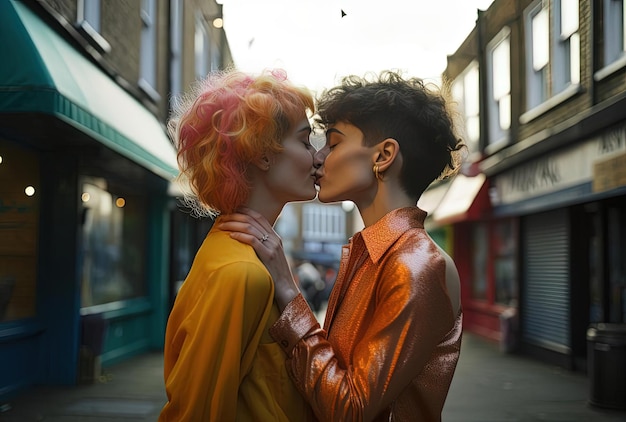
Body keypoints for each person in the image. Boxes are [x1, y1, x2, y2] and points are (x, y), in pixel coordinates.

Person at [220, 70, 466, 421]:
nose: (318, 158)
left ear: (383, 156)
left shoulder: (415, 265)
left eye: (333, 144)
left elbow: (349, 410)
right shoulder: (371, 253)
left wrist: (288, 292)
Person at [158, 68, 318, 421]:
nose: (318, 158)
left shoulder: (239, 255)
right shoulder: (242, 272)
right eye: (306, 142)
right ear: (263, 155)